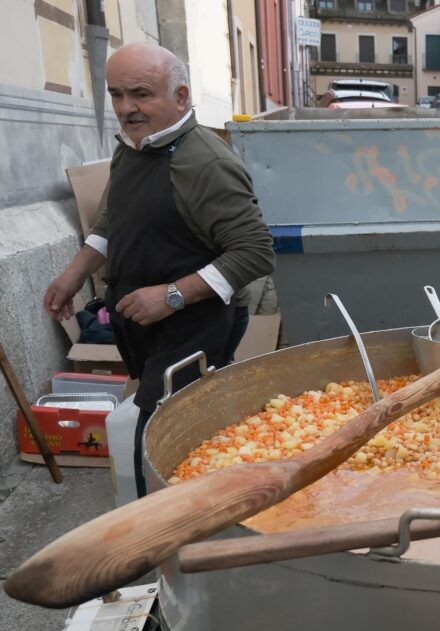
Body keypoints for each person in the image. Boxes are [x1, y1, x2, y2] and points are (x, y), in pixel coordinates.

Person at [43, 43, 276, 497]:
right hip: (142, 322)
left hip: (197, 324)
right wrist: (75, 271)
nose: (126, 108)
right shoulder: (134, 147)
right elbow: (114, 217)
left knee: (163, 438)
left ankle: (161, 542)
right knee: (168, 434)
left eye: (141, 94)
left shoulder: (206, 162)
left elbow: (254, 251)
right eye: (116, 94)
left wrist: (171, 295)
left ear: (182, 97)